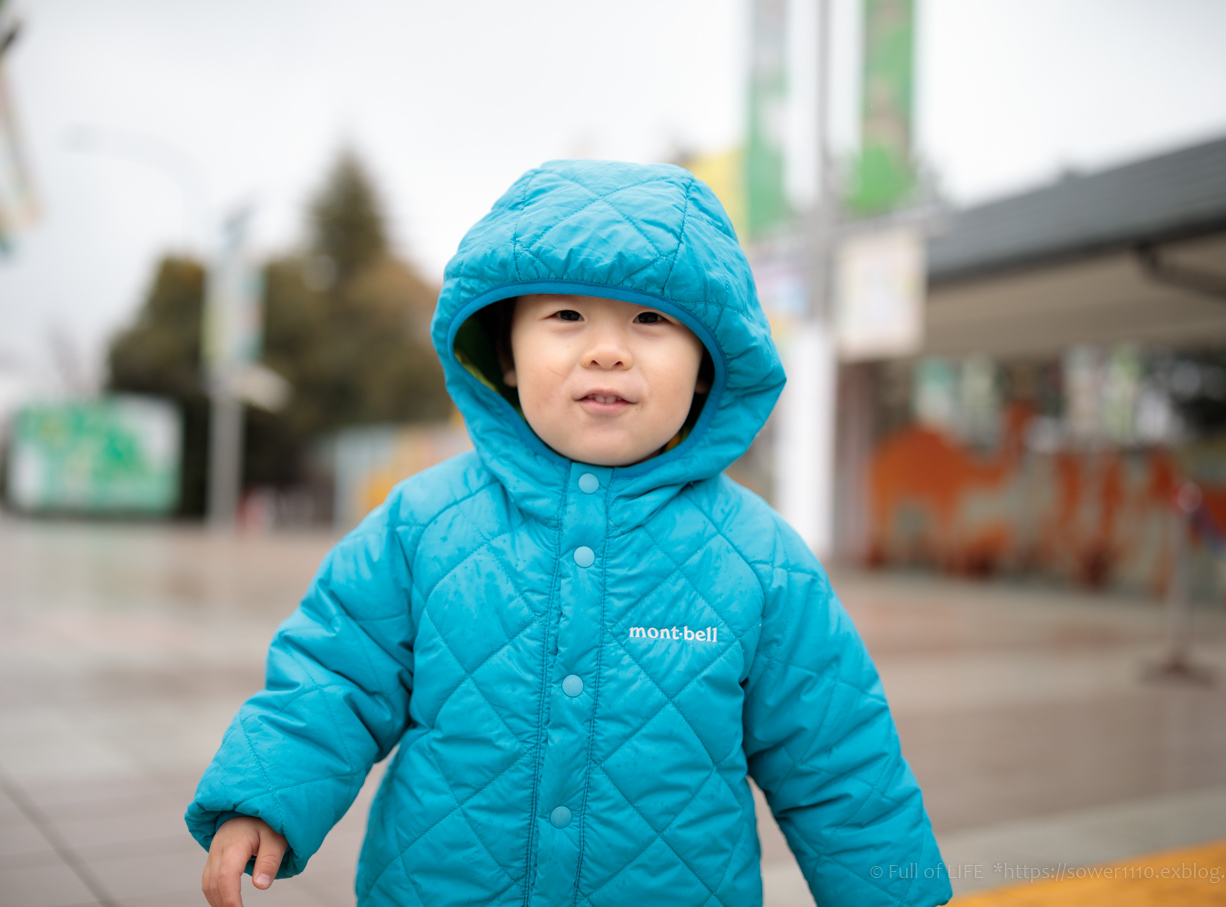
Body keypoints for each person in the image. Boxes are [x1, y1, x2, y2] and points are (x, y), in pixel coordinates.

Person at [188, 159, 952, 907]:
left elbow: (840, 760)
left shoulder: (760, 560)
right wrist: (264, 793)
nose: (608, 348)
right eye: (566, 317)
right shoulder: (423, 523)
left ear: (709, 367)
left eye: (651, 319)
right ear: (507, 356)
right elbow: (335, 675)